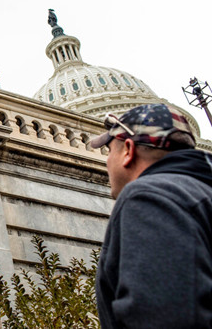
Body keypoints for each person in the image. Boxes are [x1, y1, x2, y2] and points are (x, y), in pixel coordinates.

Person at [90, 103, 212, 328]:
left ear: (128, 150)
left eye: (109, 151)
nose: (107, 161)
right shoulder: (201, 193)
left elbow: (162, 315)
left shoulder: (149, 196)